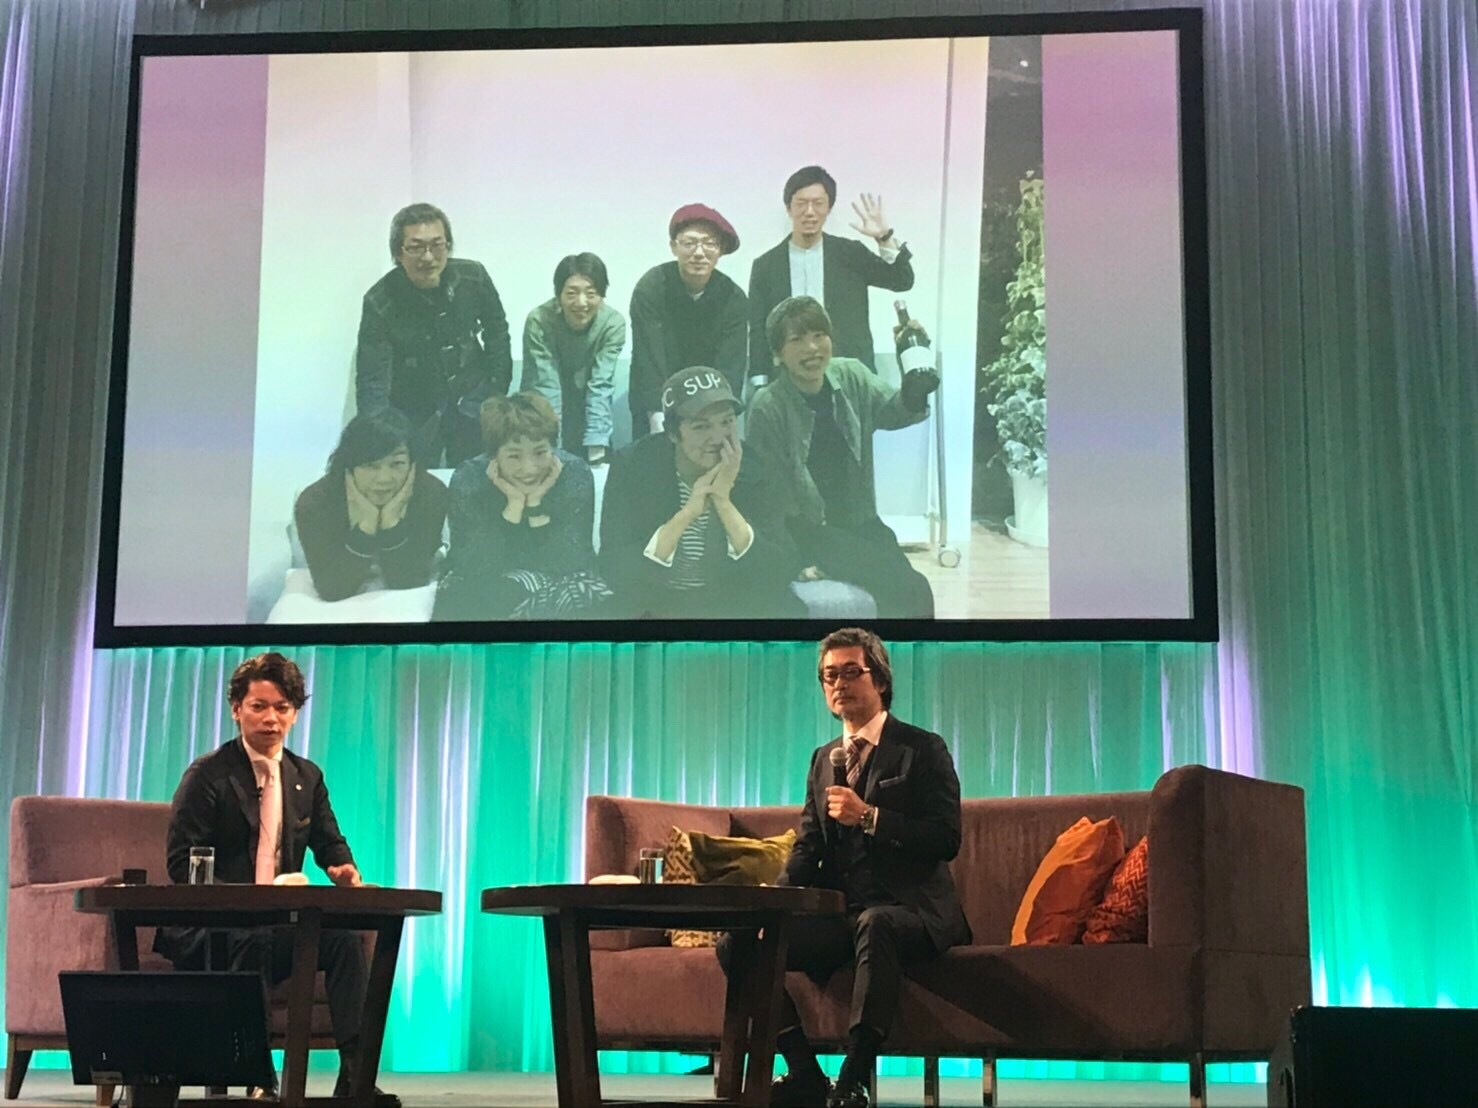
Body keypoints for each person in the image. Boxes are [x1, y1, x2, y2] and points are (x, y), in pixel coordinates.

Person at [717, 628, 970, 1108]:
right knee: (739, 944)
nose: (839, 684)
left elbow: (946, 838)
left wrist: (871, 817)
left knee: (876, 924)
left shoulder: (922, 749)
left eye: (851, 672)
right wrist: (773, 906)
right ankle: (804, 1072)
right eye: (829, 675)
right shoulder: (822, 759)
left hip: (913, 912)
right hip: (843, 916)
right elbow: (807, 846)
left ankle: (853, 1079)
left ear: (880, 679)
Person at [154, 653, 398, 1106]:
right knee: (256, 941)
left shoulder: (306, 776)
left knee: (345, 942)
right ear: (236, 709)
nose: (271, 719)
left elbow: (329, 841)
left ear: (295, 713)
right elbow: (181, 863)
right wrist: (248, 898)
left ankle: (356, 1076)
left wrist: (342, 868)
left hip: (280, 925)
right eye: (259, 706)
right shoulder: (208, 775)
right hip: (214, 930)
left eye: (282, 708)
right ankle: (259, 1078)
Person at [746, 296, 937, 618]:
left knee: (916, 591)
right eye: (797, 339)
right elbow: (768, 495)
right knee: (909, 588)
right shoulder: (768, 406)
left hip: (862, 521)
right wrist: (790, 560)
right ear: (778, 354)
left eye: (819, 335)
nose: (812, 348)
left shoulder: (851, 375)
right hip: (809, 532)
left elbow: (895, 412)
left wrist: (913, 386)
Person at [600, 366, 805, 620]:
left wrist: (723, 502)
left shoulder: (756, 467)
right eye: (701, 427)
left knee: (789, 612)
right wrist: (687, 515)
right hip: (656, 599)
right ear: (673, 433)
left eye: (726, 422)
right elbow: (614, 570)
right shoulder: (634, 465)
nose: (717, 438)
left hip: (731, 601)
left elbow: (782, 568)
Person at [356, 202, 513, 467]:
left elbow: (498, 333)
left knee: (477, 479)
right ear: (398, 253)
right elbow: (373, 379)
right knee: (417, 484)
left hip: (473, 402)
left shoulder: (473, 277)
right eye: (416, 247)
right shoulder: (380, 301)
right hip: (413, 411)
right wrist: (379, 438)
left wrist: (494, 394)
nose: (428, 258)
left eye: (437, 245)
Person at [433, 392, 609, 620]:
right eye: (514, 456)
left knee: (588, 592)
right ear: (494, 455)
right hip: (485, 584)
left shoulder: (574, 473)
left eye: (540, 452)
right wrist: (514, 506)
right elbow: (471, 564)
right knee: (465, 597)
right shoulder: (470, 478)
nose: (529, 468)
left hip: (556, 582)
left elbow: (571, 561)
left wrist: (535, 505)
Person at [748, 166, 915, 376]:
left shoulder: (850, 253)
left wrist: (884, 237)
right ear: (789, 208)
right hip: (788, 378)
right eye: (801, 203)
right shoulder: (766, 266)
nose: (810, 211)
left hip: (849, 374)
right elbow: (757, 330)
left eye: (818, 203)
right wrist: (759, 380)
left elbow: (901, 281)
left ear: (829, 208)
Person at [292, 408, 449, 602]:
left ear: (412, 464)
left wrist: (391, 522)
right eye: (370, 465)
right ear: (349, 466)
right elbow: (332, 590)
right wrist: (365, 527)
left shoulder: (431, 493)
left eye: (397, 464)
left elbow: (410, 580)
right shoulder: (316, 502)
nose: (384, 478)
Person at [628, 204, 748, 436]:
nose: (699, 253)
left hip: (709, 407)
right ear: (674, 247)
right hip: (655, 403)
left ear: (721, 249)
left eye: (709, 243)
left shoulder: (733, 298)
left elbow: (731, 367)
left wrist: (722, 417)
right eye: (690, 243)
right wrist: (657, 418)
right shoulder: (651, 288)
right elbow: (649, 359)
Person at [520, 253, 627, 464]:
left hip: (587, 411)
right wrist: (552, 447)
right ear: (558, 294)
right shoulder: (539, 321)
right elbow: (546, 386)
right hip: (542, 414)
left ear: (602, 294)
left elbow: (601, 385)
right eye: (571, 293)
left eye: (591, 293)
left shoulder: (612, 324)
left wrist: (597, 445)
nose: (581, 302)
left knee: (597, 463)